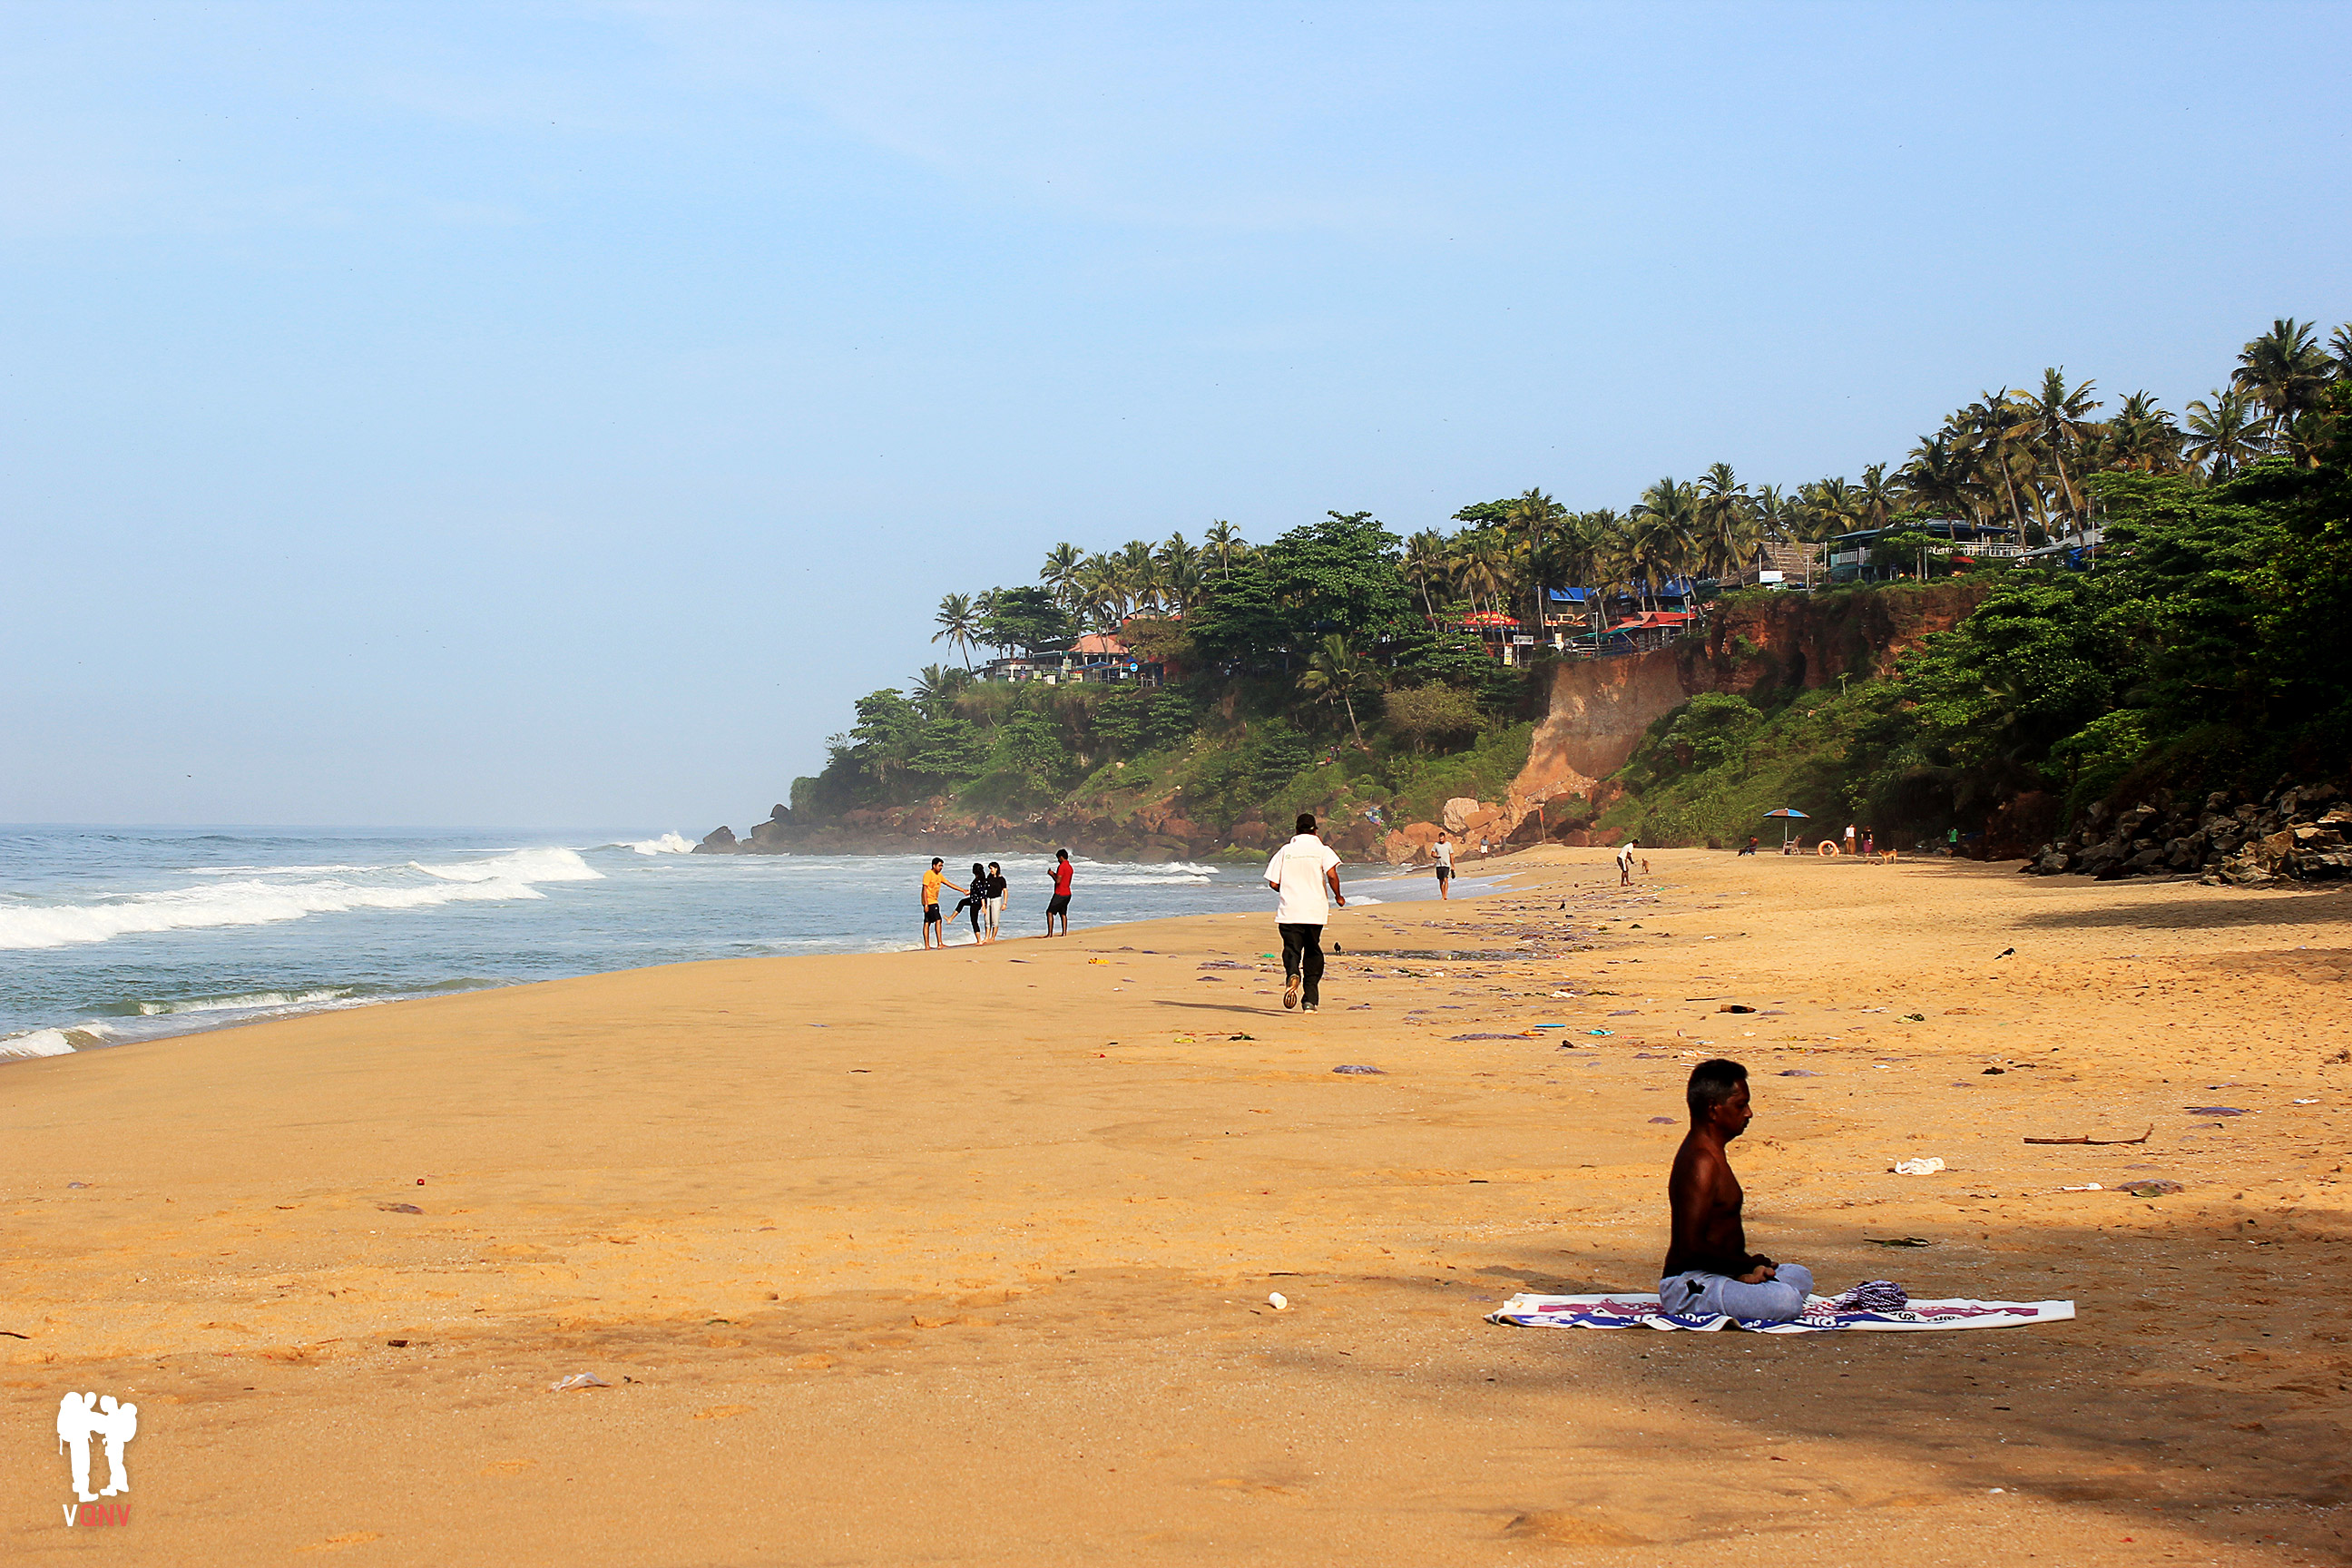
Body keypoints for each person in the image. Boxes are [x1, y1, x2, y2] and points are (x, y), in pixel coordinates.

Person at [1660, 1059, 1814, 1323]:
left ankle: (1749, 1285)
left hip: (1724, 1272)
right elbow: (1690, 1247)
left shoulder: (1713, 1152)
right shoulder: (1701, 1161)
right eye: (1740, 1105)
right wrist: (1745, 1266)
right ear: (1713, 1110)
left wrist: (1747, 1267)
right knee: (1785, 1301)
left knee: (1799, 1275)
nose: (1749, 1113)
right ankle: (1749, 1287)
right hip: (1688, 1285)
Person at [1264, 812, 1344, 1012]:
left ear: (1296, 830)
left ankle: (1292, 973)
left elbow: (1274, 882)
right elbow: (1332, 875)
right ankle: (1310, 999)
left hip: (1290, 910)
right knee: (1312, 949)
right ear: (1315, 830)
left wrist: (1288, 889)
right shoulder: (1323, 850)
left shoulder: (1285, 851)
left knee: (1291, 948)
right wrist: (1338, 896)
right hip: (1315, 910)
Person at [921, 858, 965, 950]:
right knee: (937, 920)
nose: (941, 867)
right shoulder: (928, 874)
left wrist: (963, 890)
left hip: (933, 901)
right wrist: (926, 904)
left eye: (942, 866)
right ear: (934, 865)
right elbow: (924, 889)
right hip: (929, 901)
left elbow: (949, 884)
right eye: (939, 866)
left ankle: (928, 946)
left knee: (927, 922)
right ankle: (939, 943)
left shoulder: (939, 875)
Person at [1045, 849, 1075, 936]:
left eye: (1058, 858)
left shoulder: (1062, 866)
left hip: (1060, 893)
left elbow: (1058, 880)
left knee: (1049, 912)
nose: (1058, 860)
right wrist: (1054, 874)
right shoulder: (1070, 867)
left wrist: (1051, 874)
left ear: (1061, 857)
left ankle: (1050, 933)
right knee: (1063, 913)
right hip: (1067, 893)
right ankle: (1064, 932)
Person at [957, 861, 987, 941]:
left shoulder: (978, 881)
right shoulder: (979, 879)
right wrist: (969, 892)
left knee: (974, 920)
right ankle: (951, 917)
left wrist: (983, 906)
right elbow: (977, 891)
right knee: (962, 902)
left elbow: (982, 894)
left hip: (976, 902)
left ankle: (979, 940)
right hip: (973, 900)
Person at [983, 861, 1006, 941]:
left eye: (991, 869)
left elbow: (1005, 891)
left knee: (995, 919)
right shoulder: (989, 878)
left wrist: (1004, 903)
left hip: (996, 899)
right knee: (987, 919)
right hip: (988, 899)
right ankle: (986, 937)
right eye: (990, 869)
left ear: (996, 869)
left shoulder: (1001, 879)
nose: (990, 870)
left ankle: (993, 937)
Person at [1433, 834, 1454, 900]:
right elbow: (1432, 853)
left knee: (1445, 879)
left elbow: (1451, 855)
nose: (1441, 840)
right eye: (1440, 839)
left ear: (1445, 838)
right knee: (1441, 881)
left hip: (1446, 865)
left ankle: (1445, 895)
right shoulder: (1436, 845)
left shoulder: (1448, 845)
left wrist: (1453, 865)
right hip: (1439, 865)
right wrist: (1435, 856)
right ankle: (1443, 895)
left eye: (1442, 839)